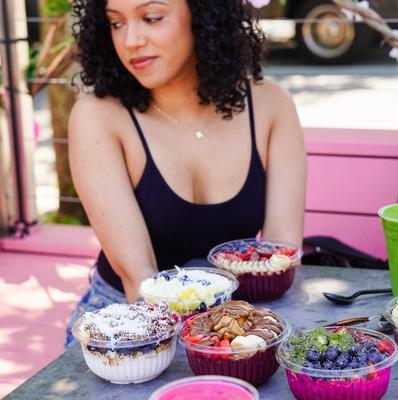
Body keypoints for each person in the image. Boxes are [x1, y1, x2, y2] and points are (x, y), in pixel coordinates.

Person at [65, 0, 306, 348]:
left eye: (151, 18)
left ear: (205, 14)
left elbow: (281, 258)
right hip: (125, 326)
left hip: (238, 318)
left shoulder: (270, 105)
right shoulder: (98, 116)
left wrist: (246, 337)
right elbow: (140, 282)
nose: (130, 40)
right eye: (115, 23)